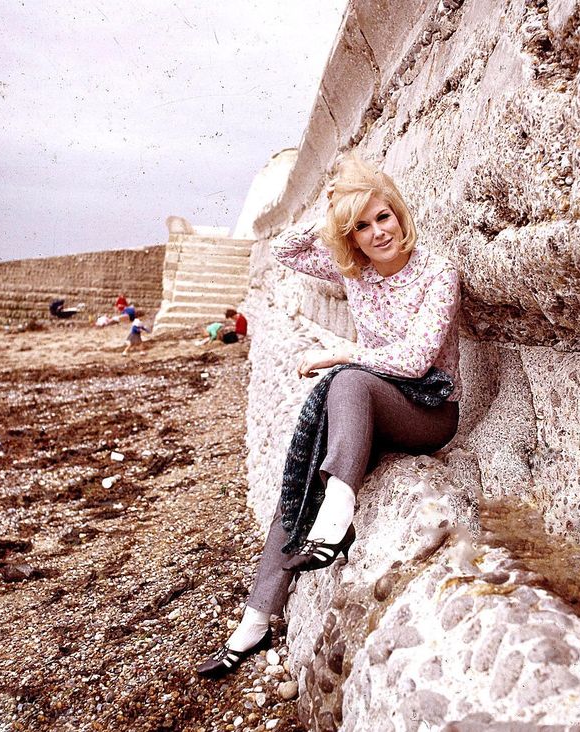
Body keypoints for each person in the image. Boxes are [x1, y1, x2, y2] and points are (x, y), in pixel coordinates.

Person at [196, 154, 461, 679]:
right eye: (361, 227)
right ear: (351, 237)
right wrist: (335, 201)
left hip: (428, 413)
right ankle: (253, 620)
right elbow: (290, 248)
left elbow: (413, 361)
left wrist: (340, 353)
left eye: (382, 217)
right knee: (299, 483)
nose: (377, 232)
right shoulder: (356, 273)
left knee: (346, 378)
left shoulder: (437, 273)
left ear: (399, 215)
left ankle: (336, 514)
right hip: (369, 404)